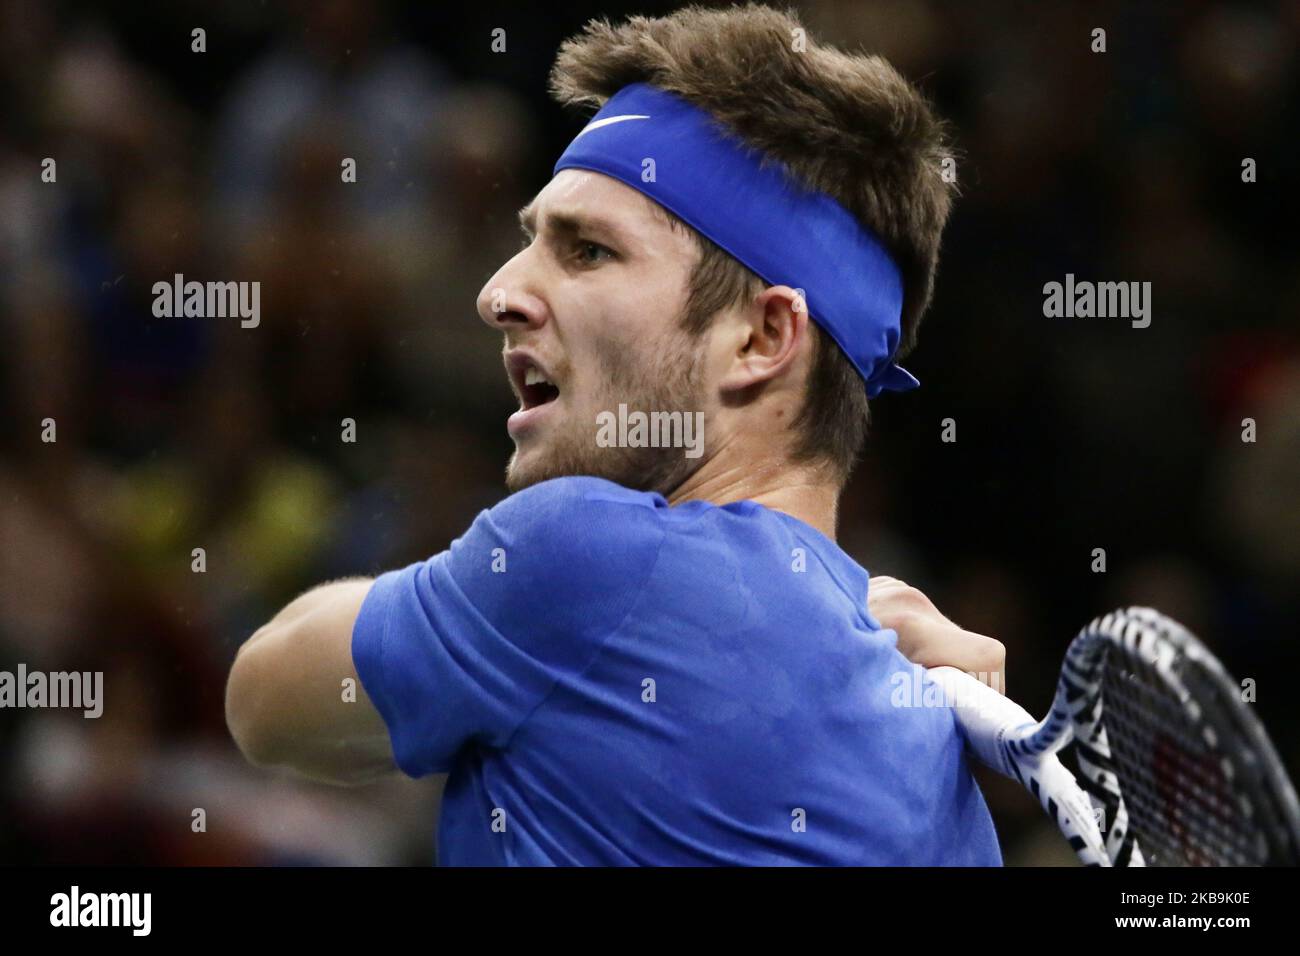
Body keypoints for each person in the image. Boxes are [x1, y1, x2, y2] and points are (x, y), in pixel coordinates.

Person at [226, 4, 1006, 865]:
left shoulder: (584, 555)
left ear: (761, 339)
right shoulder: (942, 777)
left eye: (588, 249)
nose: (498, 292)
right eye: (532, 242)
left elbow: (262, 701)